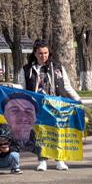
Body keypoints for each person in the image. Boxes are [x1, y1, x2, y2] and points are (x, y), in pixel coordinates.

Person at [21, 38, 80, 171]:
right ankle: (42, 160)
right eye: (40, 53)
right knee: (40, 134)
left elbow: (67, 86)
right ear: (35, 53)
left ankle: (60, 160)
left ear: (49, 53)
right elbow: (22, 87)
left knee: (58, 132)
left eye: (46, 53)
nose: (43, 56)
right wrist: (11, 87)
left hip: (56, 105)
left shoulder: (58, 67)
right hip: (37, 107)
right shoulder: (27, 69)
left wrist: (77, 99)